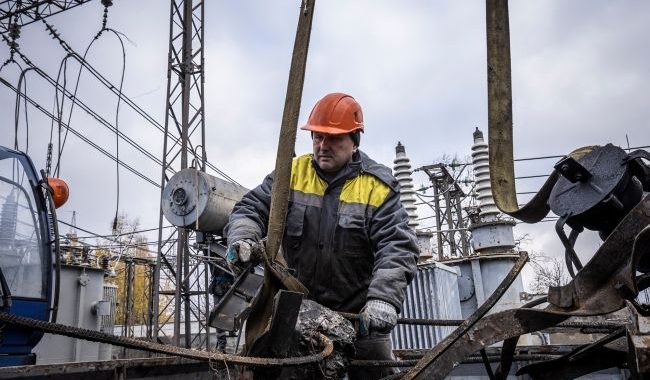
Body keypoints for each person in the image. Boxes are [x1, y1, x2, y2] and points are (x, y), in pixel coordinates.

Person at [224, 92, 419, 378]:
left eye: (333, 138)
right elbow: (250, 208)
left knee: (378, 371)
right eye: (317, 137)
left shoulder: (377, 187)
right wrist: (243, 237)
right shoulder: (291, 174)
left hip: (360, 315)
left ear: (354, 142)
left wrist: (384, 299)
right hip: (299, 312)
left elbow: (397, 246)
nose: (322, 146)